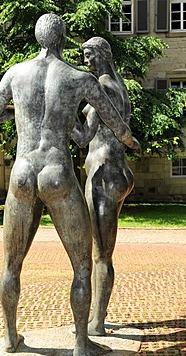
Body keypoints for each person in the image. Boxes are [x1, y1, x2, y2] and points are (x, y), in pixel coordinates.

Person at [0, 14, 139, 356]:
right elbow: (115, 122)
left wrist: (21, 117)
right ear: (63, 39)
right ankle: (82, 342)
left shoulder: (16, 72)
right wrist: (130, 141)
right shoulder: (78, 77)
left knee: (11, 264)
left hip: (22, 172)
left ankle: (10, 337)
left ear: (39, 39)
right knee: (82, 265)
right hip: (56, 173)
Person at [72, 37, 136, 336]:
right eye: (83, 55)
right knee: (103, 251)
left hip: (104, 173)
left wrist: (58, 118)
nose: (86, 61)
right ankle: (99, 315)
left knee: (100, 254)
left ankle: (96, 321)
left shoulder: (104, 88)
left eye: (89, 55)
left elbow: (85, 136)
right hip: (118, 171)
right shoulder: (119, 84)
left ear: (103, 54)